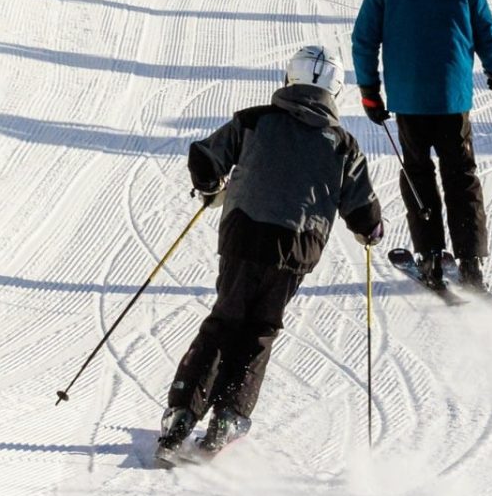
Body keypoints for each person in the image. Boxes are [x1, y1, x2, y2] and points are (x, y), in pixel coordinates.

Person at [159, 45, 384, 461]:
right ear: (336, 90)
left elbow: (205, 157)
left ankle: (182, 414)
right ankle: (228, 415)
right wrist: (370, 230)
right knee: (259, 327)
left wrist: (210, 189)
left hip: (244, 230)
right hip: (295, 245)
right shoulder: (342, 144)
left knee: (226, 318)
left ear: (288, 78)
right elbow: (362, 206)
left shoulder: (254, 120)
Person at [352, 0, 492, 295]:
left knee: (418, 174)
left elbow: (364, 39)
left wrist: (370, 91)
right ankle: (470, 264)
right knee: (461, 176)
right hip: (452, 100)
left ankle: (431, 259)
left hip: (408, 102)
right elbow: (486, 32)